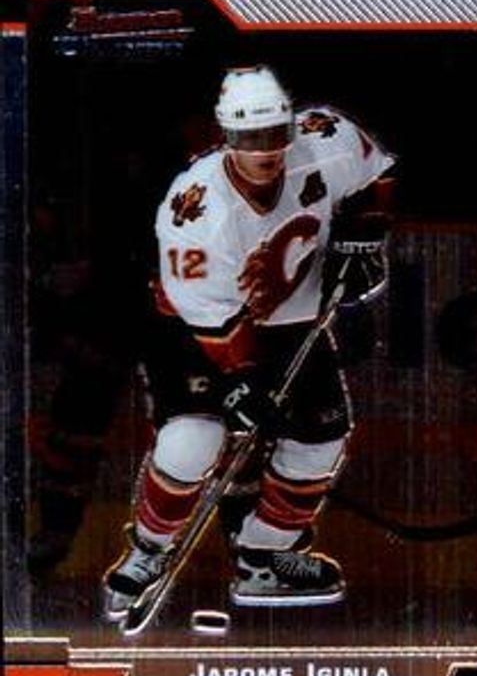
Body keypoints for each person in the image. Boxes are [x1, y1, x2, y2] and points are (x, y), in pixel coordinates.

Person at [102, 64, 396, 618]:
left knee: (321, 438)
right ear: (227, 137)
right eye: (250, 138)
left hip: (291, 321)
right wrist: (243, 383)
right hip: (195, 329)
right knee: (194, 440)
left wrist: (367, 230)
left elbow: (375, 172)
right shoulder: (195, 209)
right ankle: (148, 549)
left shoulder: (324, 141)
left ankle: (265, 557)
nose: (266, 151)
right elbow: (213, 324)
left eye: (275, 135)